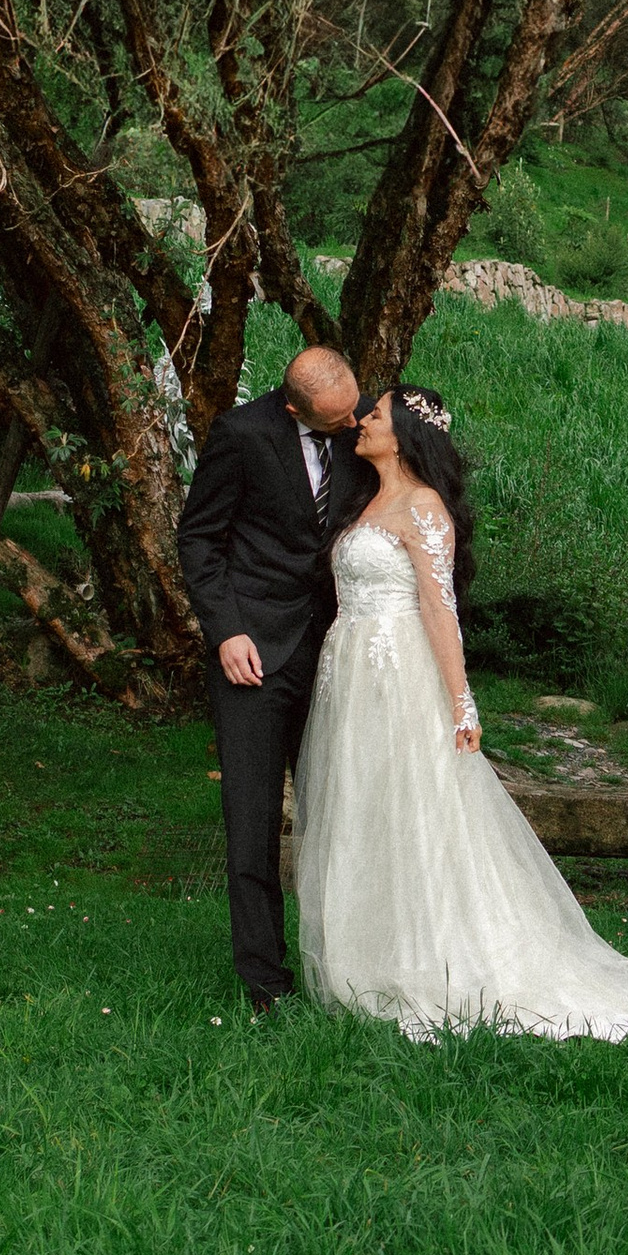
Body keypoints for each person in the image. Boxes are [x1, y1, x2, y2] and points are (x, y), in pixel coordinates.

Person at [292, 385, 628, 1044]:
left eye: (376, 415)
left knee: (416, 809)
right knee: (363, 805)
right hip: (349, 674)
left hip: (398, 674)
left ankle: (439, 957)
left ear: (406, 432)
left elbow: (439, 609)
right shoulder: (366, 501)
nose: (361, 422)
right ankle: (370, 955)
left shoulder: (424, 506)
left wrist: (460, 700)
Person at [174, 343, 365, 1009]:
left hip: (338, 652)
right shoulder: (243, 435)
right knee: (252, 822)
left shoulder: (361, 424)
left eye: (353, 413)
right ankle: (265, 983)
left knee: (342, 813)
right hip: (251, 655)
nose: (350, 427)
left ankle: (342, 967)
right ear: (292, 408)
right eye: (334, 422)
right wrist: (225, 630)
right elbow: (198, 538)